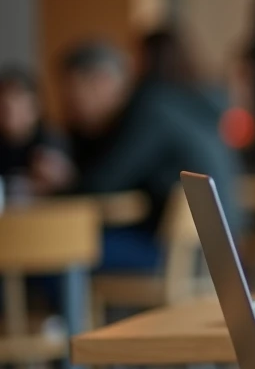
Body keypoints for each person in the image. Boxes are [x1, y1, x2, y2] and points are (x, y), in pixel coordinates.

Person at [60, 41, 239, 270]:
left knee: (57, 252)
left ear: (101, 81)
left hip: (181, 255)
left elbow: (103, 183)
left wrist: (56, 185)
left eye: (74, 95)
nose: (71, 107)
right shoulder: (170, 102)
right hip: (214, 248)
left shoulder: (148, 112)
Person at [0, 64, 73, 197]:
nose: (12, 115)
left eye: (20, 106)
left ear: (36, 106)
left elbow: (69, 184)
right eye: (5, 108)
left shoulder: (53, 141)